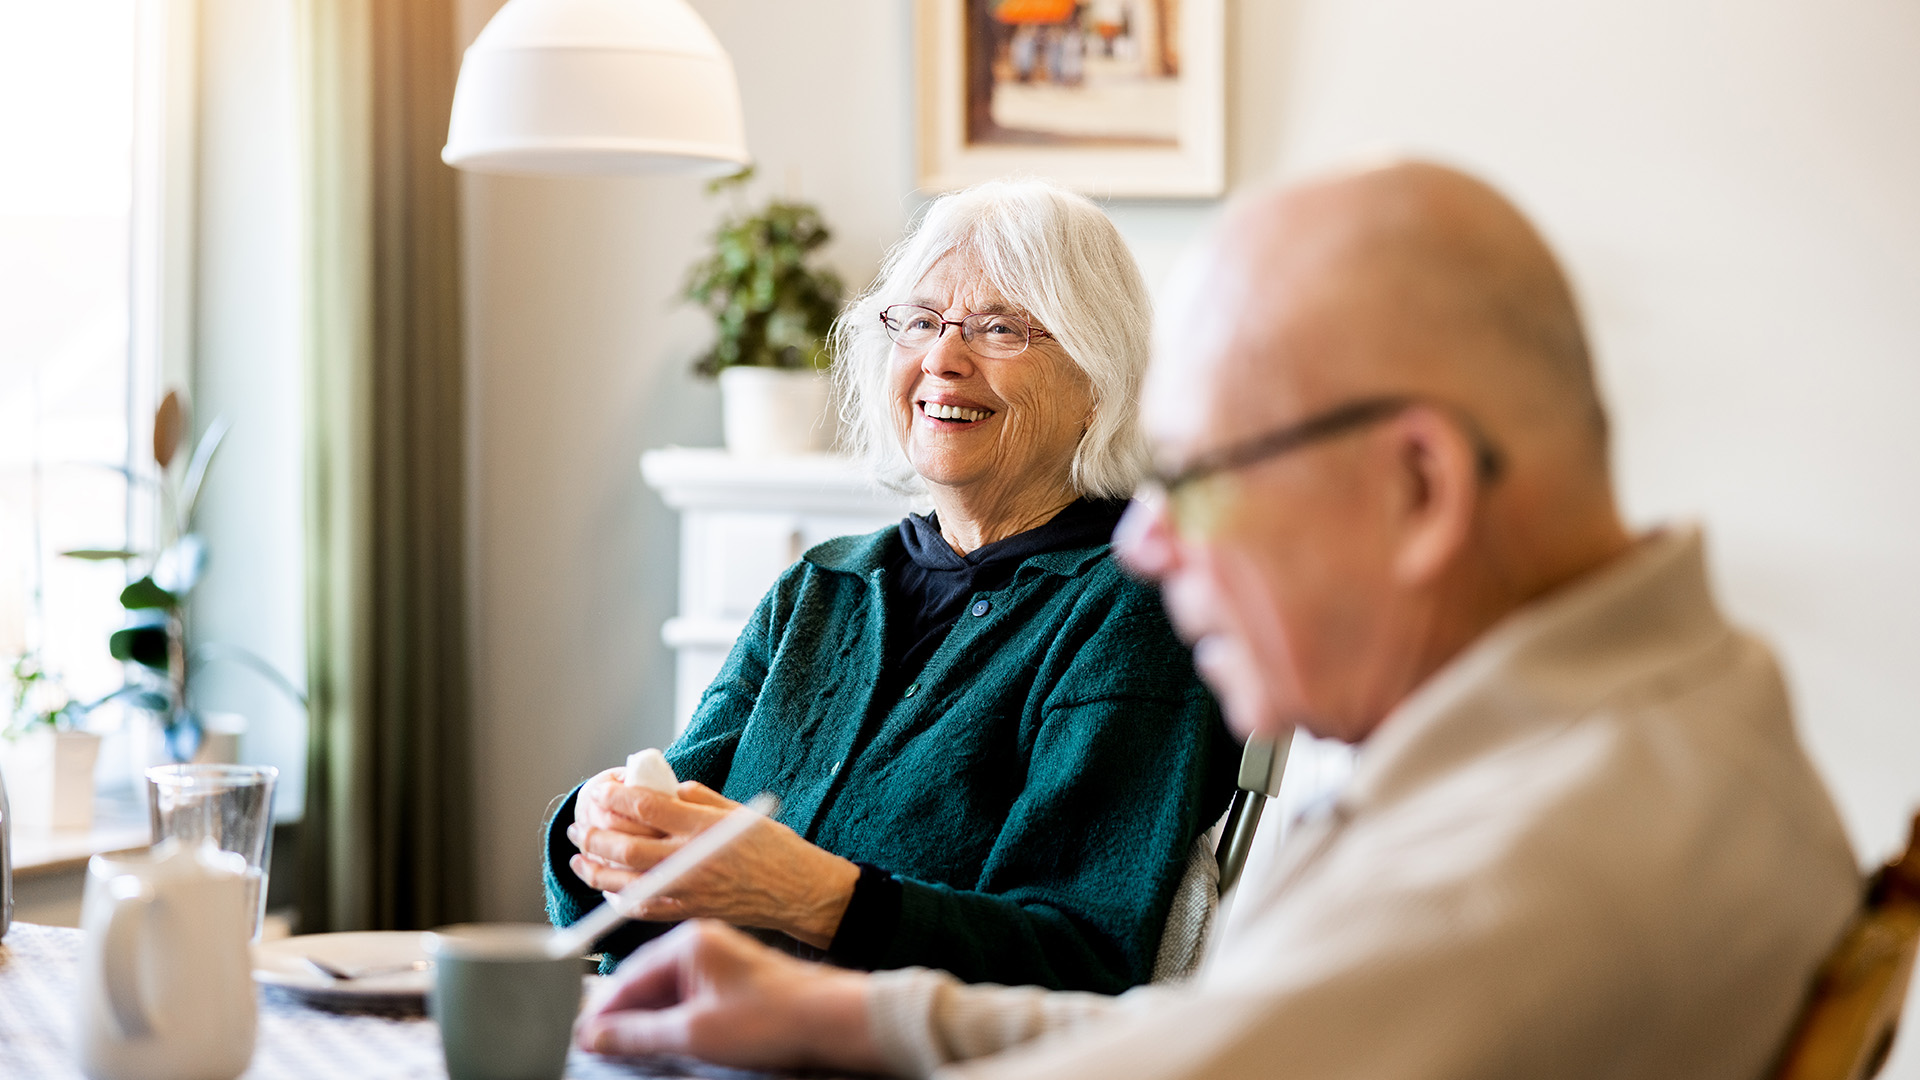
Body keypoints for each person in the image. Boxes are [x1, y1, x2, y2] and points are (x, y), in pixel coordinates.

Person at [567, 161, 1863, 1080]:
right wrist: (844, 1022)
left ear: (1419, 486)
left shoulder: (1565, 846)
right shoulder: (1622, 727)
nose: (1144, 538)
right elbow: (1205, 1039)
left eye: (1199, 476)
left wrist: (829, 940)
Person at [545, 178, 1240, 993]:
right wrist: (597, 827)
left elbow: (1078, 959)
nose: (943, 358)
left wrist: (809, 894)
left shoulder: (1131, 610)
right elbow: (653, 848)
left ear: (1097, 382)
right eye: (920, 321)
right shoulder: (822, 585)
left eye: (1002, 328)